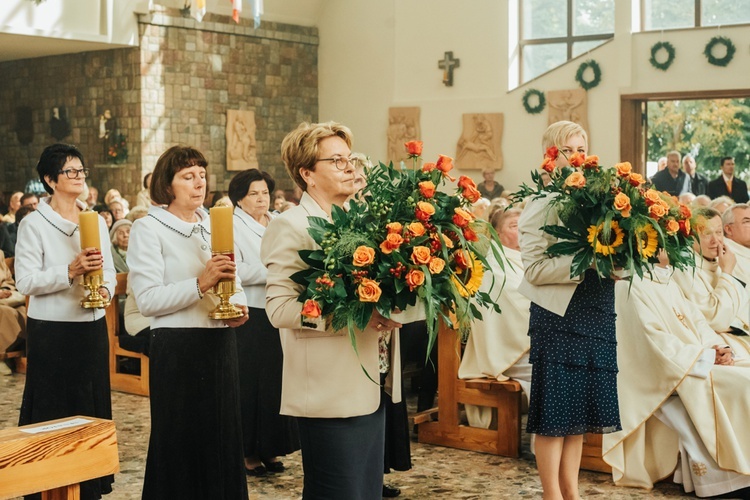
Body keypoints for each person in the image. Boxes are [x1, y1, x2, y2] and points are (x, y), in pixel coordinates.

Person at [261, 121, 402, 499]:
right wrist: (350, 315)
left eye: (349, 158)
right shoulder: (292, 226)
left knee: (366, 492)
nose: (349, 167)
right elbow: (278, 309)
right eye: (336, 160)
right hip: (327, 389)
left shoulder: (364, 223)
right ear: (307, 174)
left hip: (371, 379)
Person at [128, 146, 249, 499]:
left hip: (219, 345)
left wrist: (238, 306)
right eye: (187, 176)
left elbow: (234, 278)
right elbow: (148, 299)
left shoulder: (213, 223)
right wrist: (201, 284)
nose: (199, 183)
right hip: (178, 347)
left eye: (202, 174)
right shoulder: (148, 228)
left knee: (223, 437)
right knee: (181, 441)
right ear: (167, 184)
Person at [517, 121, 621, 500]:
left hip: (595, 311)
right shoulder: (539, 203)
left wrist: (622, 257)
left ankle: (571, 493)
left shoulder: (600, 201)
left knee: (577, 418)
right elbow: (533, 269)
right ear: (551, 155)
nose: (577, 158)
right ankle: (551, 495)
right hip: (559, 318)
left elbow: (613, 255)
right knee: (554, 417)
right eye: (568, 150)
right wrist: (587, 262)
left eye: (581, 149)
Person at [15, 143, 116, 500]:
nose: (78, 177)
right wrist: (70, 271)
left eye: (81, 170)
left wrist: (105, 292)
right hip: (53, 329)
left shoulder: (94, 220)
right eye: (70, 171)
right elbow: (26, 281)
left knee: (90, 404)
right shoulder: (34, 224)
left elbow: (112, 273)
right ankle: (49, 484)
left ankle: (88, 484)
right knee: (54, 407)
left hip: (91, 326)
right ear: (49, 179)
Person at [603, 259, 750, 498]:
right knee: (742, 385)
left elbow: (697, 324)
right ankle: (728, 480)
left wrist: (718, 347)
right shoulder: (627, 286)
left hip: (697, 359)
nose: (675, 248)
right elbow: (653, 343)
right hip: (671, 371)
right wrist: (705, 356)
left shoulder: (666, 280)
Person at [227, 168, 300, 477]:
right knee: (251, 383)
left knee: (274, 381)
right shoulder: (230, 225)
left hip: (279, 308)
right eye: (254, 193)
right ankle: (247, 452)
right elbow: (236, 269)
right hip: (251, 310)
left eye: (265, 193)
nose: (261, 198)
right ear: (240, 197)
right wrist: (277, 273)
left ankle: (270, 447)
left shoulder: (278, 221)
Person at [459, 207, 531, 428]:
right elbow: (522, 307)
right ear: (498, 235)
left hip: (533, 344)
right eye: (514, 226)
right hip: (509, 352)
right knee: (558, 368)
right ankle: (551, 438)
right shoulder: (495, 267)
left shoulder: (525, 259)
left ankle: (579, 438)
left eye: (524, 226)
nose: (522, 231)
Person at [0, 249, 26, 376]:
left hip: (6, 299)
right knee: (6, 313)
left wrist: (5, 290)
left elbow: (8, 281)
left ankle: (20, 358)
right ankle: (2, 357)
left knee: (25, 310)